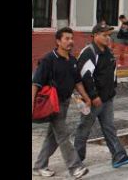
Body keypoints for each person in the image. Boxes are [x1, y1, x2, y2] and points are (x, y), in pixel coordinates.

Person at [73, 23, 128, 169]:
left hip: (107, 99)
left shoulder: (108, 52)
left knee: (109, 128)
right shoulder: (89, 52)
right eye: (104, 35)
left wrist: (112, 90)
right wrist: (94, 96)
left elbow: (111, 73)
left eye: (109, 35)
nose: (108, 38)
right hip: (90, 100)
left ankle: (118, 156)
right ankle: (76, 159)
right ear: (94, 36)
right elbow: (85, 76)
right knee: (84, 128)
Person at [32, 27, 90, 178]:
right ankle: (75, 167)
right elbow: (36, 83)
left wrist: (86, 97)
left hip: (64, 103)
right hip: (51, 103)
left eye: (71, 38)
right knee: (63, 135)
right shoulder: (48, 59)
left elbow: (77, 82)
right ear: (58, 41)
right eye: (67, 38)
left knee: (53, 137)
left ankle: (39, 165)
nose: (71, 41)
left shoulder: (72, 60)